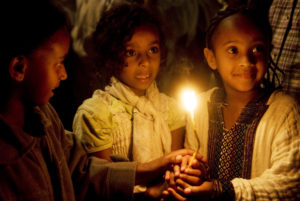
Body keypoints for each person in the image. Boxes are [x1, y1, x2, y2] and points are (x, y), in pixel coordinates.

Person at [0, 0, 203, 200]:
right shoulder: (8, 161)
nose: (64, 75)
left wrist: (159, 166)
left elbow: (84, 171)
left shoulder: (46, 119)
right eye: (58, 64)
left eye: (153, 50)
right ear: (19, 68)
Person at [163, 6, 300, 201]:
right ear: (211, 58)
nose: (246, 60)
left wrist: (223, 190)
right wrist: (191, 171)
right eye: (233, 50)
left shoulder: (284, 111)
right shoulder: (201, 106)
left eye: (257, 48)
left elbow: (290, 184)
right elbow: (196, 158)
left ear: (269, 53)